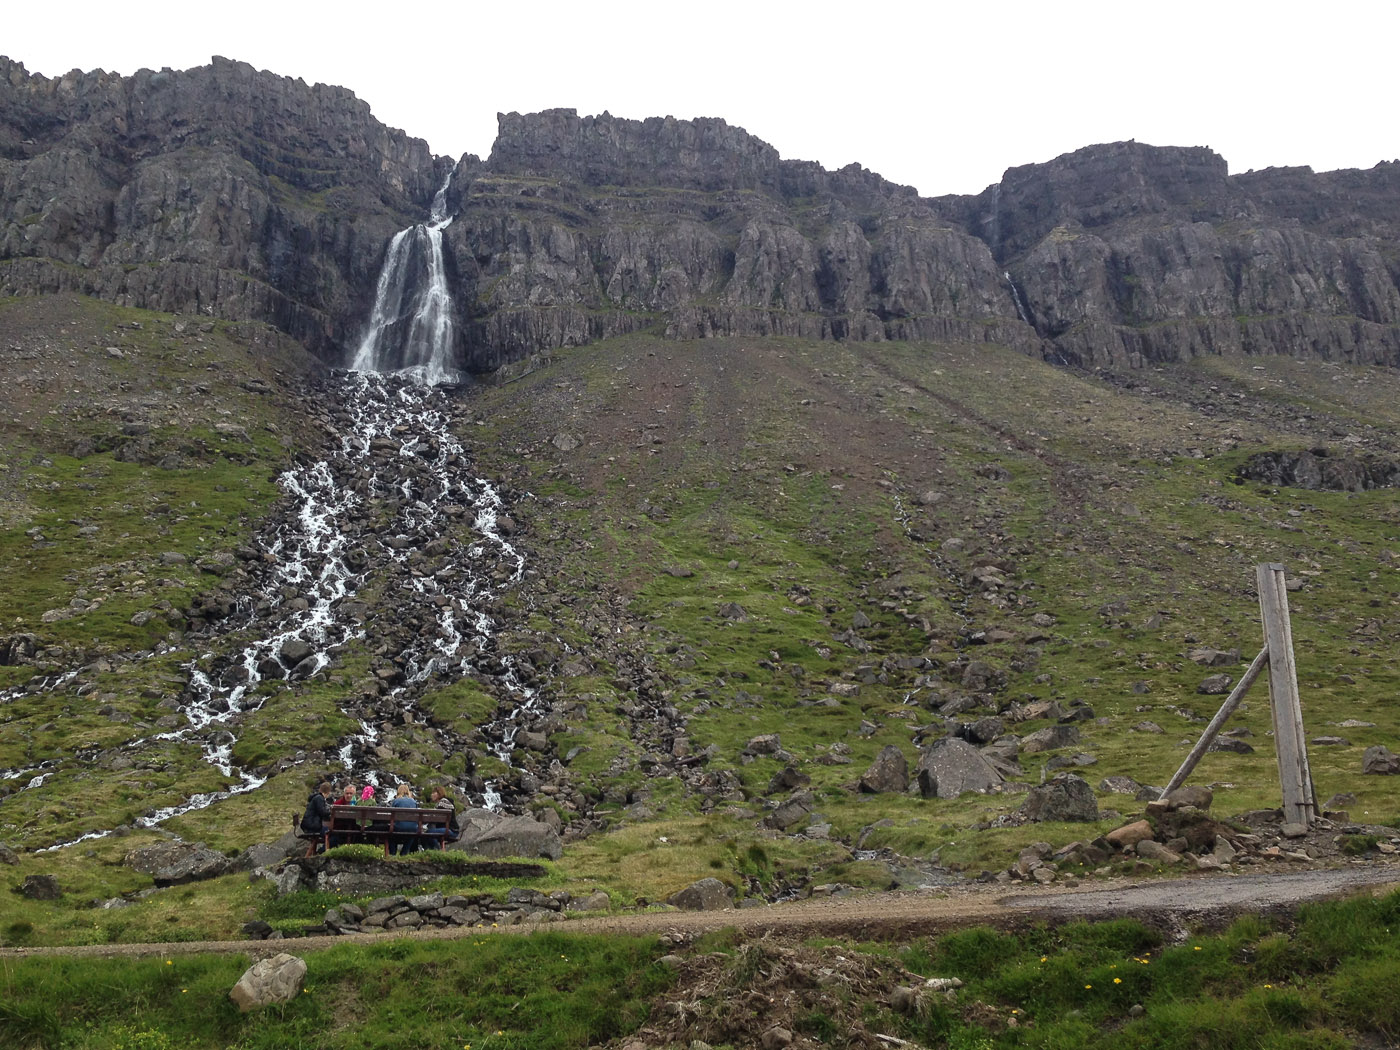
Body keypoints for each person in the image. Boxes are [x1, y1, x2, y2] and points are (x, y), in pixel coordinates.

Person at [300, 781, 333, 853]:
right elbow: (322, 812)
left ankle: (319, 852)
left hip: (309, 824)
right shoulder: (319, 798)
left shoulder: (316, 797)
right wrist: (331, 812)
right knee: (331, 834)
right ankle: (322, 852)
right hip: (312, 825)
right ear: (328, 792)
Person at [389, 782, 420, 855]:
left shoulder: (396, 801)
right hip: (412, 828)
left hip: (398, 827)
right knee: (411, 833)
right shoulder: (413, 801)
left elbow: (391, 815)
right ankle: (404, 852)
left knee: (391, 834)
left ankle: (392, 853)